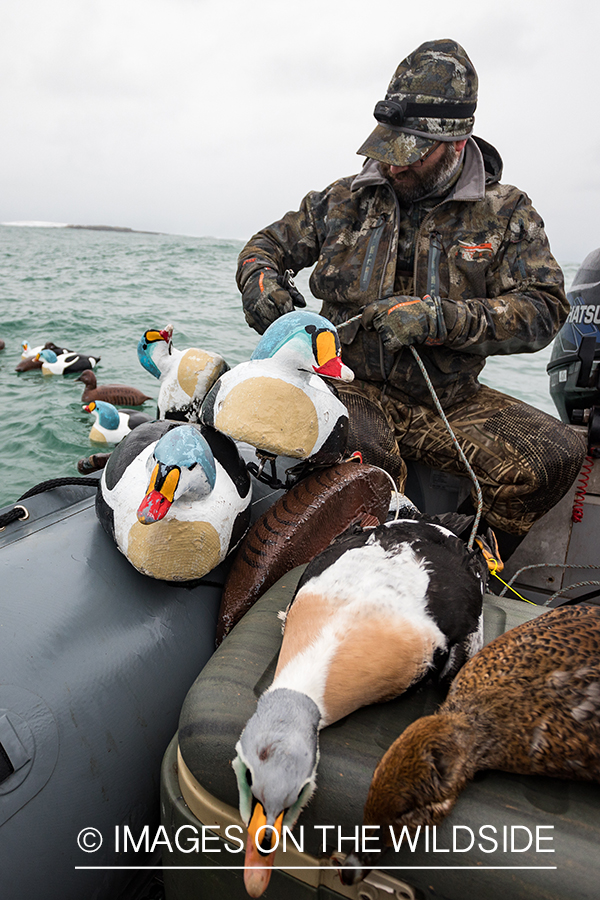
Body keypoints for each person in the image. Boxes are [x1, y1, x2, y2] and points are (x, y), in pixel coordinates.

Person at [236, 38, 585, 559]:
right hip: (345, 385)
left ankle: (471, 558)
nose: (395, 166)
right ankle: (364, 568)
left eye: (412, 155)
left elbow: (545, 308)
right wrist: (260, 285)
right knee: (368, 461)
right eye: (389, 149)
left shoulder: (506, 212)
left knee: (555, 455)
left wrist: (440, 320)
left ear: (458, 142)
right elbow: (263, 247)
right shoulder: (343, 198)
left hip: (447, 400)